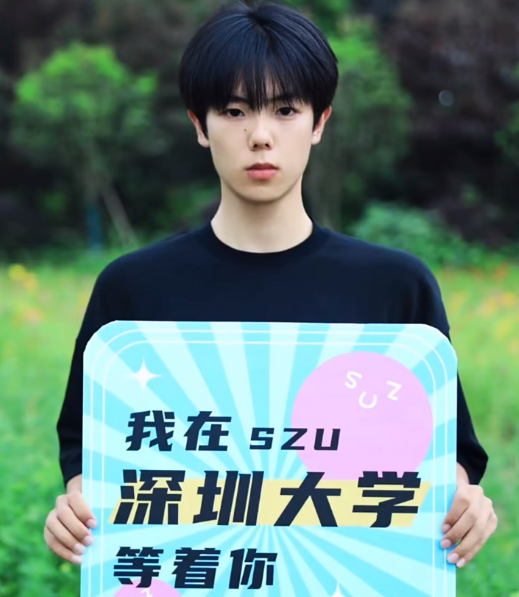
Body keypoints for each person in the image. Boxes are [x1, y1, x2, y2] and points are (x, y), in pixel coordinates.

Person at [45, 0, 497, 573]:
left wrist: (465, 503)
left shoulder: (397, 287)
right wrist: (75, 510)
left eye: (285, 109)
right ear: (199, 125)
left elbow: (446, 455)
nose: (260, 135)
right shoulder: (131, 290)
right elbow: (89, 453)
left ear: (319, 122)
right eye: (234, 111)